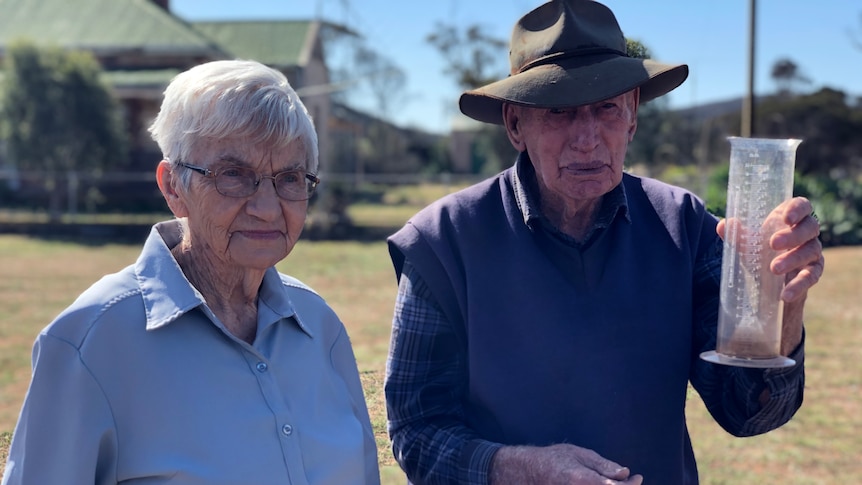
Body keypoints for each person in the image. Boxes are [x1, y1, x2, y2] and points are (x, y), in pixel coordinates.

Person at [384, 1, 825, 484]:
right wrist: (519, 469)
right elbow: (416, 432)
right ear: (515, 125)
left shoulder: (685, 228)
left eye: (606, 108)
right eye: (559, 112)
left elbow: (750, 412)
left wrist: (783, 302)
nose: (588, 138)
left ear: (632, 115)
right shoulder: (442, 244)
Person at [2, 60, 380, 485]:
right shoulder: (89, 343)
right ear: (172, 187)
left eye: (289, 177)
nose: (268, 207)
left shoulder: (320, 325)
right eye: (234, 175)